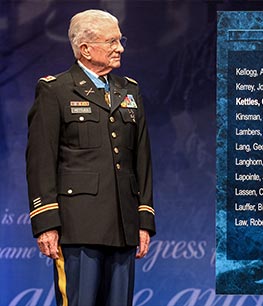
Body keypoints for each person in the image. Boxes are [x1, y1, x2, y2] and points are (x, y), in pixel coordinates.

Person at [26, 9, 156, 306]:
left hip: (123, 225)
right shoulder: (55, 90)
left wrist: (144, 218)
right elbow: (40, 161)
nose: (120, 47)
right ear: (85, 49)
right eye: (111, 41)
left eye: (119, 40)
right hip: (77, 227)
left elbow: (143, 160)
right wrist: (46, 222)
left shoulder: (130, 91)